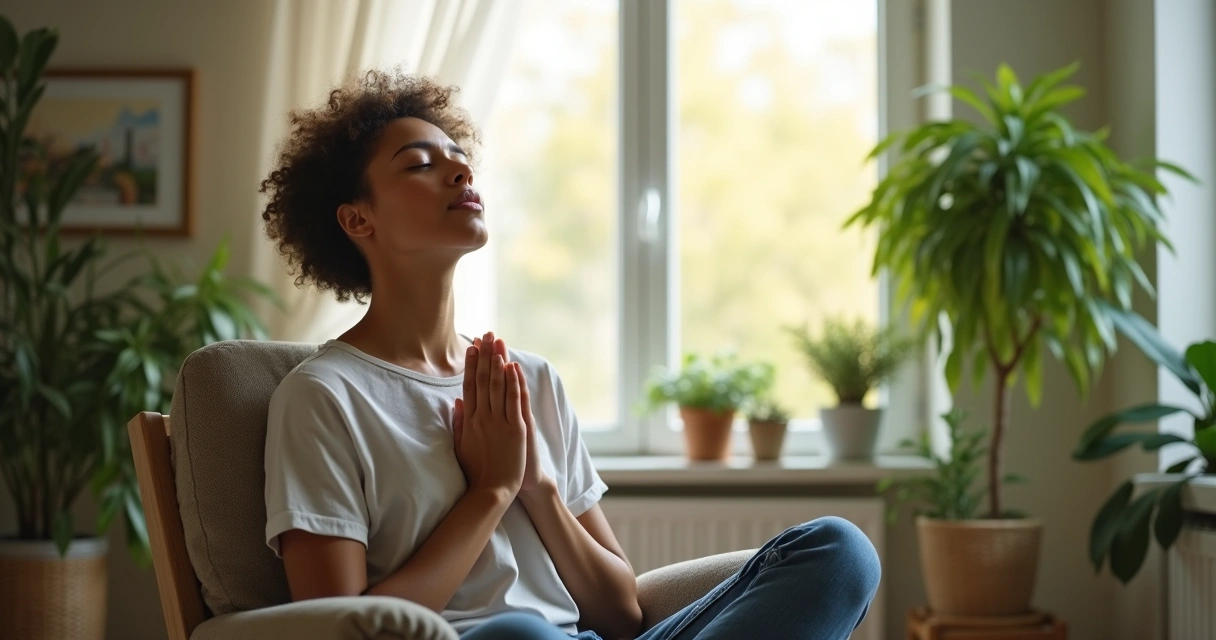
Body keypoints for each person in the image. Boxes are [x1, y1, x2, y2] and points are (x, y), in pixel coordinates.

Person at [259, 69, 881, 640]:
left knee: (838, 550)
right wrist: (491, 491)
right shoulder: (324, 397)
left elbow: (621, 614)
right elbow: (335, 628)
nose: (460, 174)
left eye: (460, 159)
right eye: (421, 164)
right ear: (357, 220)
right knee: (518, 633)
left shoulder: (528, 379)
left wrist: (539, 488)